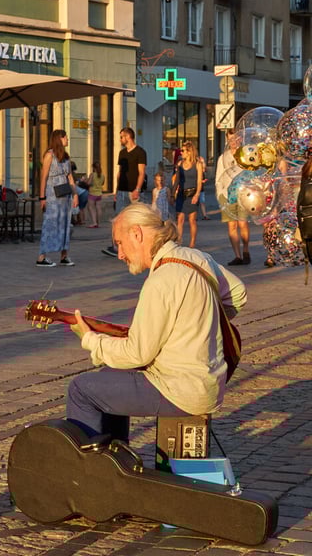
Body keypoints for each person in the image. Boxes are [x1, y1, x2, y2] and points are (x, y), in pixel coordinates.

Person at [67, 203, 246, 442]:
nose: (120, 254)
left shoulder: (161, 281)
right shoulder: (195, 257)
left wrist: (90, 339)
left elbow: (137, 354)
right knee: (112, 374)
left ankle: (91, 471)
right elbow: (238, 293)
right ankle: (118, 463)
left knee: (82, 389)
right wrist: (200, 319)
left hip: (180, 389)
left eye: (119, 243)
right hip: (208, 382)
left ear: (137, 234)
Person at [102, 127, 146, 257]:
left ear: (128, 137)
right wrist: (116, 190)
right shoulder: (122, 153)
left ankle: (138, 246)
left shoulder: (140, 152)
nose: (120, 139)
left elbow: (142, 172)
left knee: (135, 219)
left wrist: (137, 189)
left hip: (134, 191)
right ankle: (115, 247)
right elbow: (120, 173)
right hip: (122, 191)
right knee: (118, 219)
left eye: (122, 137)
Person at [37, 129, 79, 267]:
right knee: (50, 224)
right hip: (52, 195)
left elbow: (70, 177)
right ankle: (42, 257)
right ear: (59, 139)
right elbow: (43, 177)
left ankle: (64, 255)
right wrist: (42, 197)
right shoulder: (49, 155)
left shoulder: (66, 157)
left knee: (65, 224)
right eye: (65, 137)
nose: (67, 139)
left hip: (65, 194)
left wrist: (75, 194)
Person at [215, 146, 250, 266]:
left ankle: (245, 250)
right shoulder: (222, 158)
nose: (234, 142)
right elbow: (218, 178)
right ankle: (238, 256)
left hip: (243, 194)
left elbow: (251, 173)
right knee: (232, 226)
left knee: (243, 223)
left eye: (235, 139)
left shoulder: (245, 155)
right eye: (231, 140)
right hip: (227, 195)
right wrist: (219, 194)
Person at [172, 141, 204, 248]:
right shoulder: (180, 164)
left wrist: (197, 194)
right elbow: (177, 180)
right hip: (182, 194)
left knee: (192, 220)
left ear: (189, 152)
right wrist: (173, 194)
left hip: (192, 194)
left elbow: (199, 181)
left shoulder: (197, 164)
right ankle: (179, 242)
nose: (181, 153)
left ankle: (192, 243)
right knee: (180, 219)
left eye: (183, 150)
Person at [85, 160, 104, 228]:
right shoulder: (102, 175)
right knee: (98, 208)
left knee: (91, 207)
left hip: (92, 193)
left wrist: (85, 180)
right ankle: (98, 222)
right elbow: (102, 183)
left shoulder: (92, 174)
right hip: (99, 193)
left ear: (94, 168)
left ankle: (94, 222)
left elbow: (89, 183)